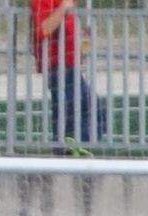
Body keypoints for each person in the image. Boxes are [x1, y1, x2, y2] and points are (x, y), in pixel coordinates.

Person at [32, 0, 100, 152]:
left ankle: (72, 150)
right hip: (59, 66)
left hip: (69, 64)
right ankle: (69, 152)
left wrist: (81, 39)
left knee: (83, 109)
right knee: (75, 111)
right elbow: (44, 28)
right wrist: (64, 8)